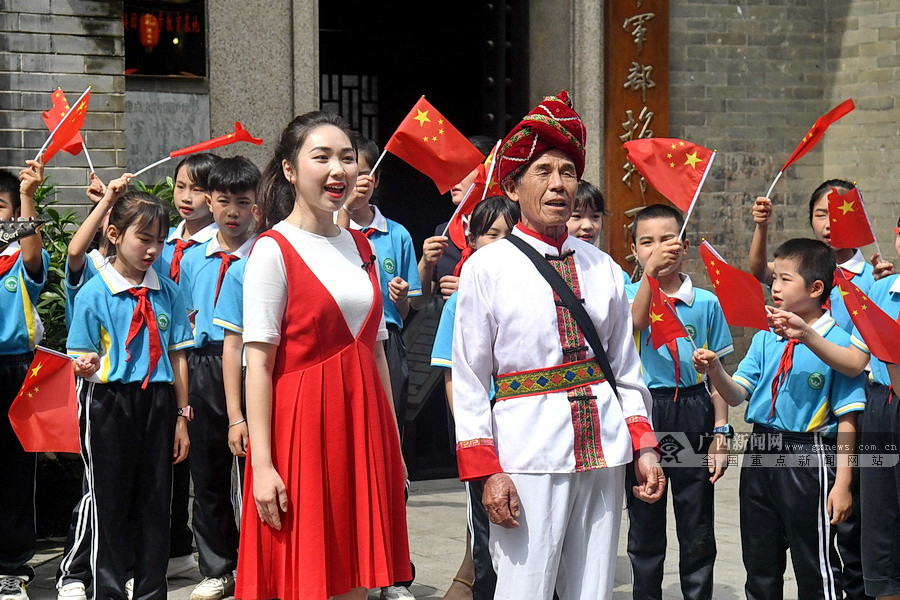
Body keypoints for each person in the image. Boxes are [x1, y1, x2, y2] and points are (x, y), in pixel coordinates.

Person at [452, 90, 664, 600]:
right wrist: (487, 471)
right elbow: (469, 376)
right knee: (524, 585)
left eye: (567, 171)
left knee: (592, 588)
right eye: (542, 171)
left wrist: (645, 444)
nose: (557, 184)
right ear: (514, 184)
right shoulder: (487, 267)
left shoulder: (603, 267)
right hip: (526, 451)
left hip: (603, 446)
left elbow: (624, 366)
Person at [235, 111, 411, 600]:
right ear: (290, 170)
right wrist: (264, 466)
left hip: (364, 425)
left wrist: (392, 444)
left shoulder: (360, 245)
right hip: (302, 432)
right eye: (322, 157)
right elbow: (259, 366)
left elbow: (375, 351)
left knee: (356, 576)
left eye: (347, 158)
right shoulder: (273, 250)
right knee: (307, 576)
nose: (339, 170)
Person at [693, 237, 866, 600]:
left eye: (785, 279)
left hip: (810, 457)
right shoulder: (765, 338)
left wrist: (843, 482)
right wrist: (714, 370)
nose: (775, 286)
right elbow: (737, 394)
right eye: (774, 278)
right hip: (761, 449)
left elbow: (848, 420)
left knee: (814, 565)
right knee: (760, 564)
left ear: (816, 288)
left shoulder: (839, 344)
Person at [67, 184, 193, 600]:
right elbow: (81, 354)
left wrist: (181, 416)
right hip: (109, 402)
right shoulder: (94, 291)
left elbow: (177, 357)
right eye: (144, 238)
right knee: (110, 501)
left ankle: (151, 592)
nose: (153, 249)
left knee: (157, 501)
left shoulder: (168, 292)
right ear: (116, 235)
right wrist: (83, 364)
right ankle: (108, 590)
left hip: (157, 403)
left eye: (160, 240)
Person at [623, 204, 732, 600]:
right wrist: (649, 277)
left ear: (683, 246)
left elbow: (716, 376)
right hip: (645, 411)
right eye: (645, 242)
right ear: (634, 250)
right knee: (645, 519)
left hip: (692, 408)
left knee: (696, 520)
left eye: (666, 239)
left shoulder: (704, 302)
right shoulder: (627, 294)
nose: (656, 249)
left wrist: (721, 432)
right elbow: (634, 324)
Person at [178, 156, 260, 600]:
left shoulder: (267, 254)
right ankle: (218, 567)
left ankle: (259, 561)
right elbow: (181, 320)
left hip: (253, 366)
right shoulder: (192, 258)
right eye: (223, 201)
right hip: (202, 363)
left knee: (257, 469)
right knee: (207, 472)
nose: (232, 211)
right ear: (209, 200)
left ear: (256, 206)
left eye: (242, 202)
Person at [431, 195, 520, 600]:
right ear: (471, 239)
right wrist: (472, 434)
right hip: (483, 432)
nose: (502, 242)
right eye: (491, 234)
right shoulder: (461, 299)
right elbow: (453, 376)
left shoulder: (530, 291)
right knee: (485, 527)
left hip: (524, 429)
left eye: (511, 234)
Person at [0, 160, 49, 600]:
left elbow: (33, 256)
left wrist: (28, 197)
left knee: (15, 471)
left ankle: (11, 567)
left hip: (15, 369)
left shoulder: (19, 256)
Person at [414, 135, 495, 307]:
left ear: (488, 173)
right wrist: (426, 264)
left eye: (464, 169)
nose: (453, 178)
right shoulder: (444, 232)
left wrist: (470, 291)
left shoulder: (509, 228)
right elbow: (417, 303)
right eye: (452, 169)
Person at [157, 153, 221, 283]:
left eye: (197, 189)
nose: (186, 198)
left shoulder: (219, 246)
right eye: (180, 187)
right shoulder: (161, 238)